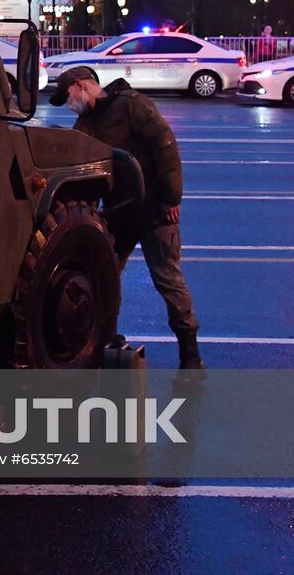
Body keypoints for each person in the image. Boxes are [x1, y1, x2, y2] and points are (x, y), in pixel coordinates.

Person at [49, 67, 205, 370]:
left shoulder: (132, 104)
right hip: (118, 214)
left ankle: (190, 354)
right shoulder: (85, 124)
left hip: (155, 211)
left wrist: (172, 198)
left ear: (81, 86)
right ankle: (105, 341)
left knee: (168, 280)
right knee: (104, 278)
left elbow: (165, 146)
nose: (69, 104)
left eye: (67, 96)